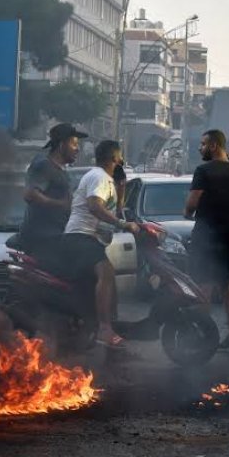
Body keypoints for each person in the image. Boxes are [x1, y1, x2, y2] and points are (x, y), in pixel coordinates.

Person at [63, 140, 140, 349]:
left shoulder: (108, 181)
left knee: (105, 279)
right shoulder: (98, 176)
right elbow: (95, 207)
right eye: (120, 156)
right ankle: (104, 329)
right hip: (81, 236)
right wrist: (123, 224)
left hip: (90, 239)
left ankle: (96, 326)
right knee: (106, 273)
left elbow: (114, 210)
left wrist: (121, 188)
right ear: (115, 158)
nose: (122, 160)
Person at [184, 130, 229, 348]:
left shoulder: (203, 171)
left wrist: (187, 213)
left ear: (213, 146)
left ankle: (201, 333)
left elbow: (193, 203)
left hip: (206, 235)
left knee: (202, 283)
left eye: (203, 144)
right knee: (226, 285)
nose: (200, 148)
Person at [19, 123, 83, 255]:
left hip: (56, 235)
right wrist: (60, 204)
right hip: (43, 239)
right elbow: (30, 194)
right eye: (74, 144)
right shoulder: (43, 165)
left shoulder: (60, 169)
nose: (78, 149)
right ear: (61, 145)